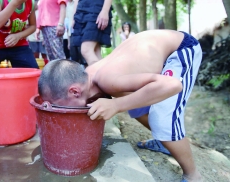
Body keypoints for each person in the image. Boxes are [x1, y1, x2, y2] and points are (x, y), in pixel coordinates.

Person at [38, 30, 203, 182]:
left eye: (61, 106)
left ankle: (193, 175)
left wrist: (116, 104)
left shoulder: (109, 81)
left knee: (162, 119)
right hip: (155, 49)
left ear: (74, 91)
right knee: (136, 107)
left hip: (180, 50)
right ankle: (163, 142)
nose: (63, 111)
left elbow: (172, 85)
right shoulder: (89, 76)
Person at [71, 0, 113, 65]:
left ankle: (100, 75)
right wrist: (74, 16)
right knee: (95, 51)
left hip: (97, 9)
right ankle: (105, 74)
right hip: (81, 11)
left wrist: (105, 11)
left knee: (86, 50)